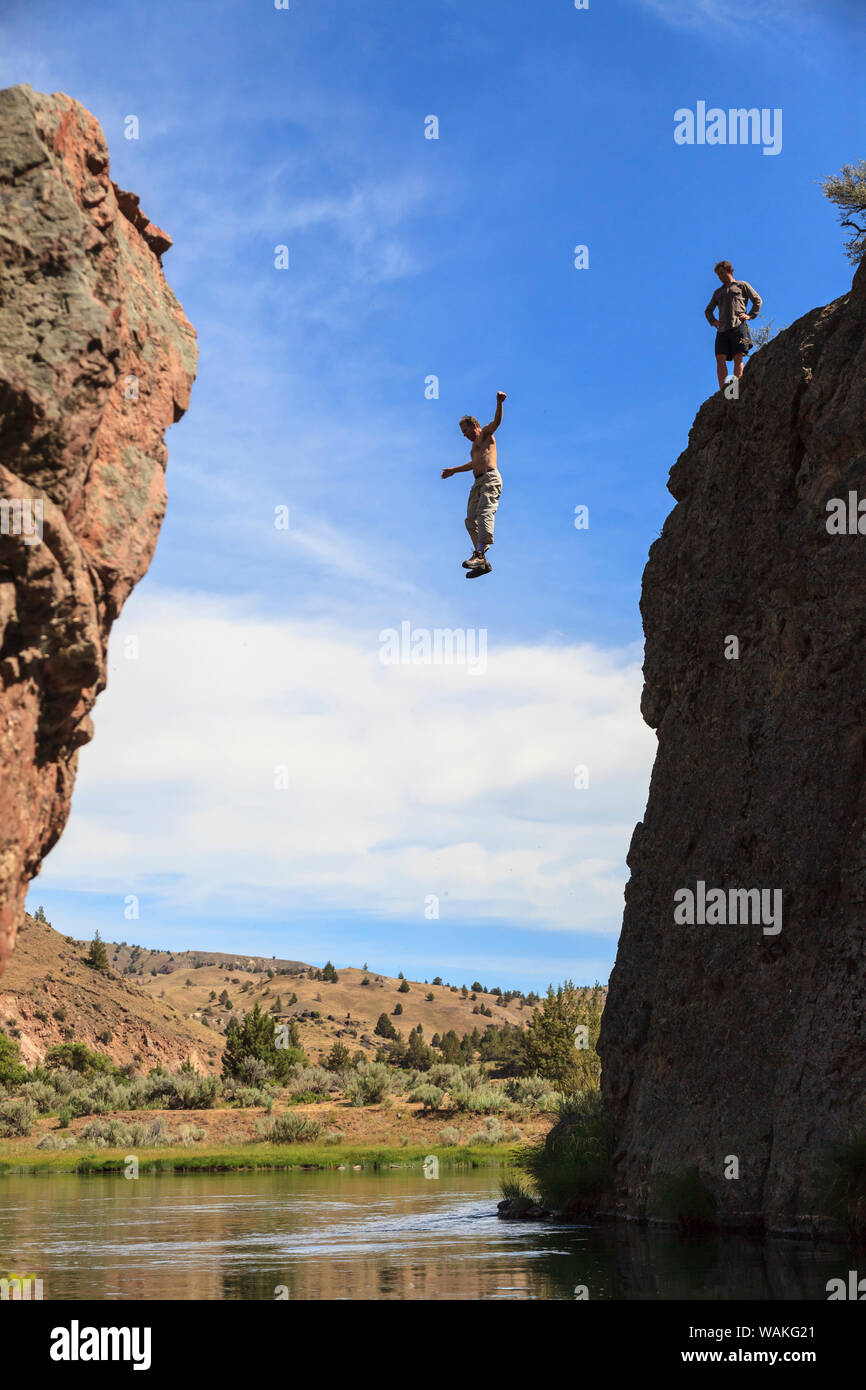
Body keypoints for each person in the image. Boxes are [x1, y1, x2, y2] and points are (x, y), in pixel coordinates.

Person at [441, 391, 506, 577]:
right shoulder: (473, 448)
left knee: (485, 512)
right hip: (477, 482)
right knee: (470, 520)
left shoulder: (485, 434)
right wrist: (454, 470)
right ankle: (481, 558)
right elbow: (473, 465)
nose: (464, 435)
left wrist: (499, 403)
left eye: (465, 431)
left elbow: (497, 422)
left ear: (474, 426)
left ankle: (479, 554)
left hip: (490, 478)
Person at [705, 261, 762, 390]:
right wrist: (714, 321)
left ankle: (736, 385)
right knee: (720, 358)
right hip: (722, 329)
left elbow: (757, 300)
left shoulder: (742, 286)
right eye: (718, 274)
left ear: (730, 271)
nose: (720, 276)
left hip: (738, 325)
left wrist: (750, 315)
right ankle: (723, 389)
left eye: (722, 272)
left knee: (738, 356)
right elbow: (708, 310)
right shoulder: (718, 292)